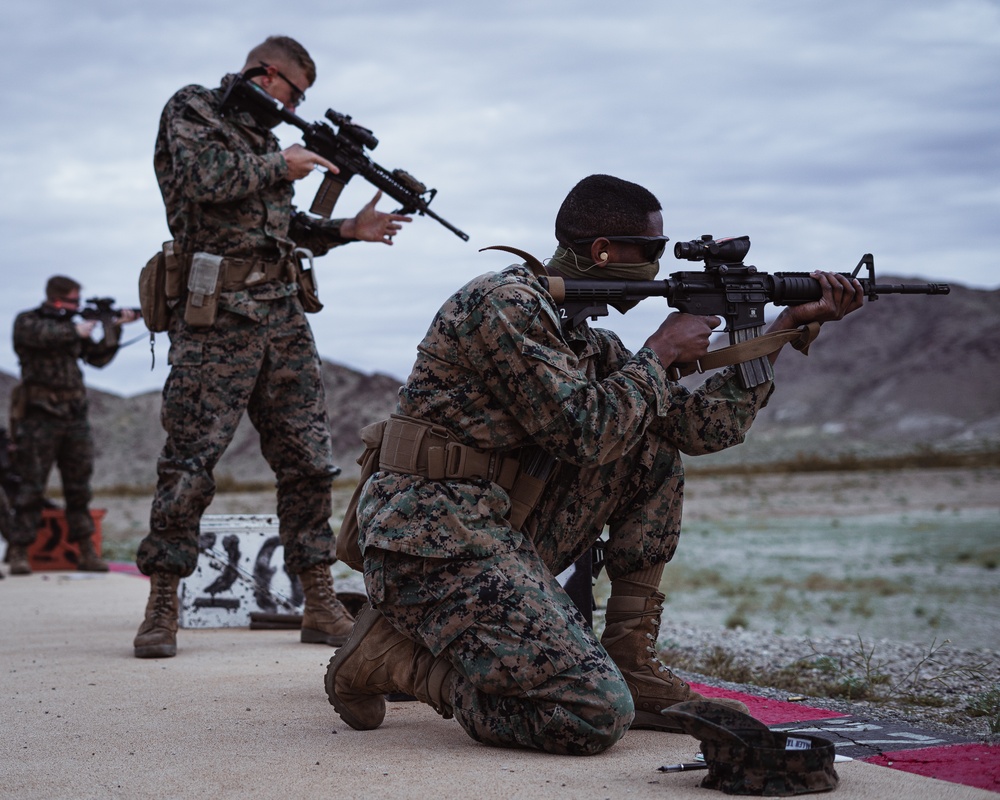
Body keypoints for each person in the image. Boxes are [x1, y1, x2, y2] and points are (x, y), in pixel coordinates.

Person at [325, 174, 864, 755]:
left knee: (651, 448)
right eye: (651, 251)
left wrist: (781, 332)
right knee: (591, 714)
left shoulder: (585, 341)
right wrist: (659, 352)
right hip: (429, 540)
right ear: (603, 251)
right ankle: (398, 661)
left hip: (498, 529)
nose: (659, 266)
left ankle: (630, 657)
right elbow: (584, 433)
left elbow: (699, 429)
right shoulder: (503, 304)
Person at [133, 36, 410, 659]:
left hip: (282, 315)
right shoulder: (195, 108)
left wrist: (347, 229)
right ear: (267, 72)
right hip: (216, 314)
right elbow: (203, 181)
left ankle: (318, 598)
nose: (296, 105)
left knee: (308, 462)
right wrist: (280, 165)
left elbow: (282, 226)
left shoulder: (267, 142)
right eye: (295, 92)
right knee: (190, 463)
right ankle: (161, 603)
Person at [6, 276, 140, 575]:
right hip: (39, 415)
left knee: (79, 488)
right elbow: (36, 336)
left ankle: (85, 550)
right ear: (55, 299)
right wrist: (73, 330)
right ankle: (19, 551)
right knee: (31, 487)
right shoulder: (28, 321)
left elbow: (97, 359)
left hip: (74, 416)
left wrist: (113, 328)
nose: (76, 308)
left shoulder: (73, 330)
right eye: (71, 302)